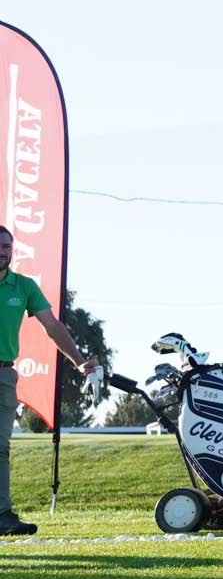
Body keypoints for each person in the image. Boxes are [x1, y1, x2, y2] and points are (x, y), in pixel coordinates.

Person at [1, 225, 100, 537]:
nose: (2, 251)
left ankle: (2, 514)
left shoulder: (24, 286)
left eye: (7, 246)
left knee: (0, 447)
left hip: (4, 374)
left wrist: (80, 361)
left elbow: (52, 326)